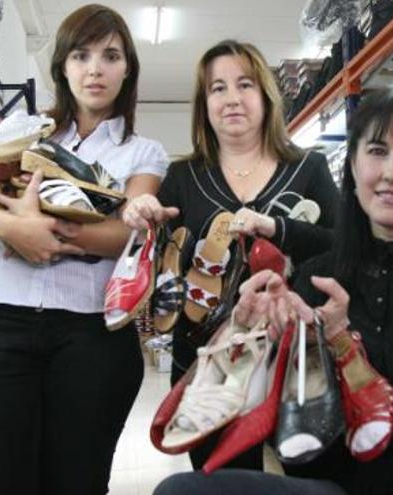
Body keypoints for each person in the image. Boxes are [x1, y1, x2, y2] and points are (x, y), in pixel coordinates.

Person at [153, 83, 393, 494]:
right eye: (377, 151)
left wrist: (347, 341)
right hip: (350, 488)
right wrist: (251, 341)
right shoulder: (318, 277)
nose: (392, 172)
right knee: (182, 491)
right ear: (352, 167)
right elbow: (298, 448)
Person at [0, 5, 168, 494]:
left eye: (110, 56)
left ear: (128, 69)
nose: (95, 69)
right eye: (81, 55)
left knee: (76, 483)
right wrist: (12, 228)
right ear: (63, 65)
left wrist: (46, 232)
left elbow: (129, 232)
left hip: (89, 337)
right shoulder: (23, 129)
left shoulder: (142, 152)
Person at [122, 39, 339, 470]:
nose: (232, 98)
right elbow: (162, 262)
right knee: (221, 481)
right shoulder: (182, 177)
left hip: (297, 358)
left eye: (245, 84)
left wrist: (278, 227)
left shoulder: (308, 168)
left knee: (304, 474)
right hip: (210, 361)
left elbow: (346, 244)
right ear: (204, 104)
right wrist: (144, 214)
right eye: (217, 88)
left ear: (266, 95)